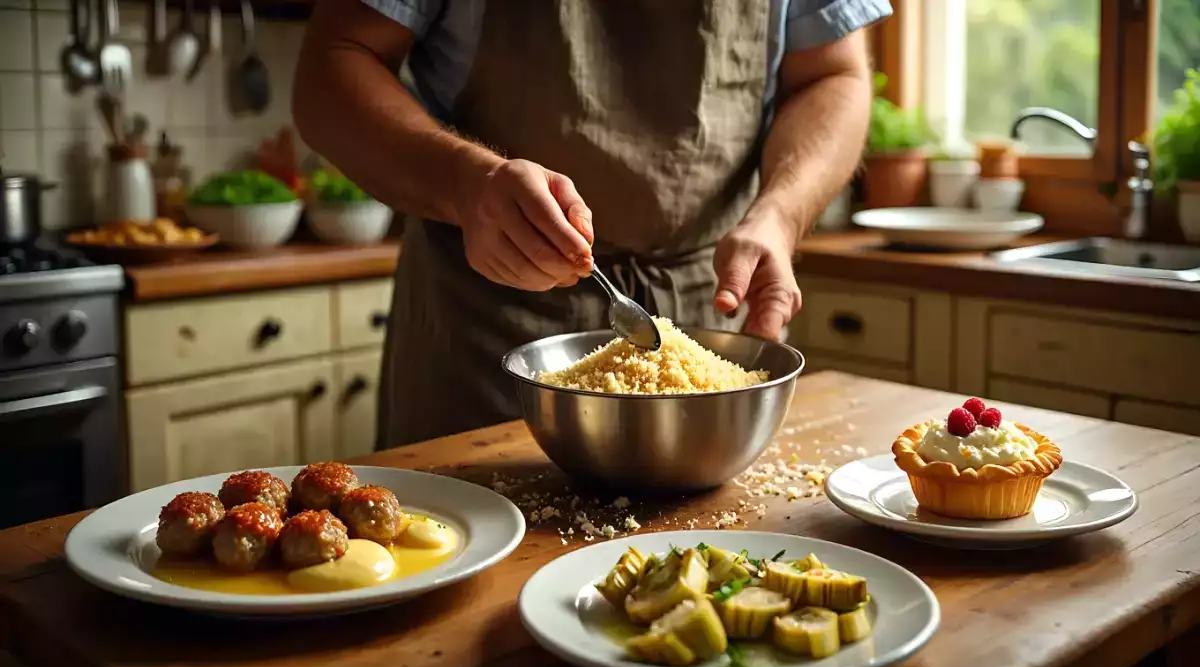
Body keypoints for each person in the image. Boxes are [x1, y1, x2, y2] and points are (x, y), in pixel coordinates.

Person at [293, 0, 891, 450]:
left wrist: (780, 214)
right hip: (484, 334)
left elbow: (833, 75)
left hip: (707, 311)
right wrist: (463, 182)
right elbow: (334, 61)